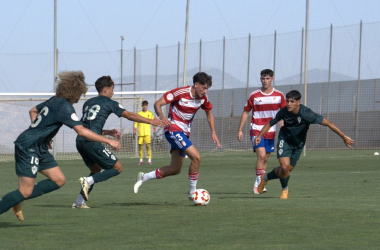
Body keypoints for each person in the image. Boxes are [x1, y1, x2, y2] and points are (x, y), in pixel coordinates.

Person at [0, 71, 121, 221]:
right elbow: (82, 131)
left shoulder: (54, 100)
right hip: (28, 146)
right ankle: (15, 199)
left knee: (58, 180)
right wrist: (108, 140)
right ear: (76, 92)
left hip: (40, 147)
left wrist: (42, 135)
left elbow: (33, 111)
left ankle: (16, 198)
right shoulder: (64, 106)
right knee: (25, 191)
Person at [73, 76, 164, 208]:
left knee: (96, 170)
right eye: (112, 89)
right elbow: (129, 115)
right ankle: (88, 180)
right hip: (91, 142)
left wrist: (108, 132)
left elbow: (88, 128)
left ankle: (79, 202)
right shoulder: (110, 103)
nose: (113, 92)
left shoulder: (88, 103)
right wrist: (151, 121)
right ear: (105, 90)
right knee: (117, 168)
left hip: (80, 141)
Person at [133, 72, 221, 200]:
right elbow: (157, 104)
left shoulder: (203, 99)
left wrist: (213, 131)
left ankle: (144, 177)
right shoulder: (179, 92)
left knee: (175, 169)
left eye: (207, 88)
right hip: (173, 130)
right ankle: (192, 194)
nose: (205, 91)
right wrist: (162, 117)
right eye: (204, 88)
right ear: (196, 84)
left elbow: (209, 113)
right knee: (196, 157)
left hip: (184, 133)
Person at [255, 90, 354, 199]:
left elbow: (328, 123)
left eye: (292, 101)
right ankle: (285, 190)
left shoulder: (306, 114)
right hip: (285, 140)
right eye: (287, 101)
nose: (289, 104)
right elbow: (270, 124)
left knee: (286, 170)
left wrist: (343, 136)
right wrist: (259, 136)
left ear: (298, 102)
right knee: (284, 166)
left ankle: (265, 178)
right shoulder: (283, 112)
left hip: (298, 144)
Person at [238, 69, 286, 194]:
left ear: (272, 79)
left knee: (265, 158)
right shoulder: (254, 95)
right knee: (261, 155)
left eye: (267, 79)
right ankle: (258, 185)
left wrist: (283, 120)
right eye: (263, 78)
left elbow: (285, 111)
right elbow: (246, 111)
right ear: (261, 79)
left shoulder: (279, 95)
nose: (265, 81)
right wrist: (240, 129)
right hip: (256, 129)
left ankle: (259, 182)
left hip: (271, 130)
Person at [133, 100, 156, 165]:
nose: (144, 107)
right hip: (140, 133)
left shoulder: (150, 113)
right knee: (140, 147)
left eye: (146, 105)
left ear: (147, 106)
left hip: (147, 133)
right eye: (143, 105)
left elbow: (153, 122)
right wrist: (134, 130)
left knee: (148, 146)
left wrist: (154, 129)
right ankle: (141, 160)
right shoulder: (139, 113)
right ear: (142, 106)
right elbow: (136, 122)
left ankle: (149, 160)